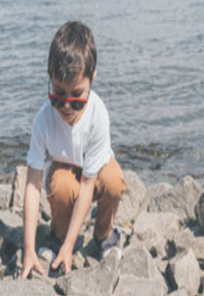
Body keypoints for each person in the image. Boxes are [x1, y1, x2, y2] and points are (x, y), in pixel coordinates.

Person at [20, 20, 126, 278]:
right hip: (64, 164)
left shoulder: (98, 115)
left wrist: (71, 247)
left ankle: (103, 235)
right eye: (58, 95)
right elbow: (33, 185)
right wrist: (28, 249)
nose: (66, 106)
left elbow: (89, 185)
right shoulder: (43, 120)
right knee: (62, 187)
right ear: (50, 80)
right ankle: (59, 234)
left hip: (95, 166)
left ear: (93, 79)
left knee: (114, 182)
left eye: (77, 97)